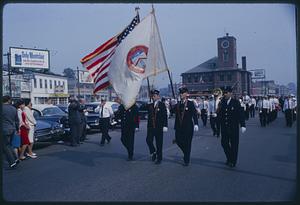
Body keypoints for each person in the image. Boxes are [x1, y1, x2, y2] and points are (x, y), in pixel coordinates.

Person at [219, 86, 246, 168]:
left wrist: (243, 125)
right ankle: (229, 157)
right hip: (224, 127)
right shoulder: (222, 102)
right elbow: (221, 114)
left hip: (233, 127)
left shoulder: (236, 102)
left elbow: (240, 114)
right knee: (224, 143)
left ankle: (233, 161)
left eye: (226, 93)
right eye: (224, 93)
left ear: (231, 93)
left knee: (234, 145)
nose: (225, 94)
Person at [174, 87, 199, 166]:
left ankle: (186, 159)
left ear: (186, 94)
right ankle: (186, 153)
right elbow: (172, 111)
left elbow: (194, 114)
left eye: (182, 93)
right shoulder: (178, 103)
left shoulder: (190, 103)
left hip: (188, 127)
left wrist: (196, 124)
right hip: (179, 127)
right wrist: (173, 104)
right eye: (180, 93)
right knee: (178, 140)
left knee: (188, 143)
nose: (181, 94)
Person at [146, 89, 168, 164]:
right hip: (151, 127)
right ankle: (153, 152)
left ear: (158, 96)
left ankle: (159, 158)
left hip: (159, 127)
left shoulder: (162, 105)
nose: (153, 97)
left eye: (154, 96)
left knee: (159, 143)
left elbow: (164, 116)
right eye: (152, 96)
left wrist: (165, 125)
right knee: (148, 140)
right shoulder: (150, 105)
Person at [2, 96, 20, 168]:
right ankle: (15, 159)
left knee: (5, 146)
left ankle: (12, 162)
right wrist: (17, 129)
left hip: (4, 129)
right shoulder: (13, 108)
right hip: (12, 129)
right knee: (9, 145)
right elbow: (17, 121)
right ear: (9, 100)